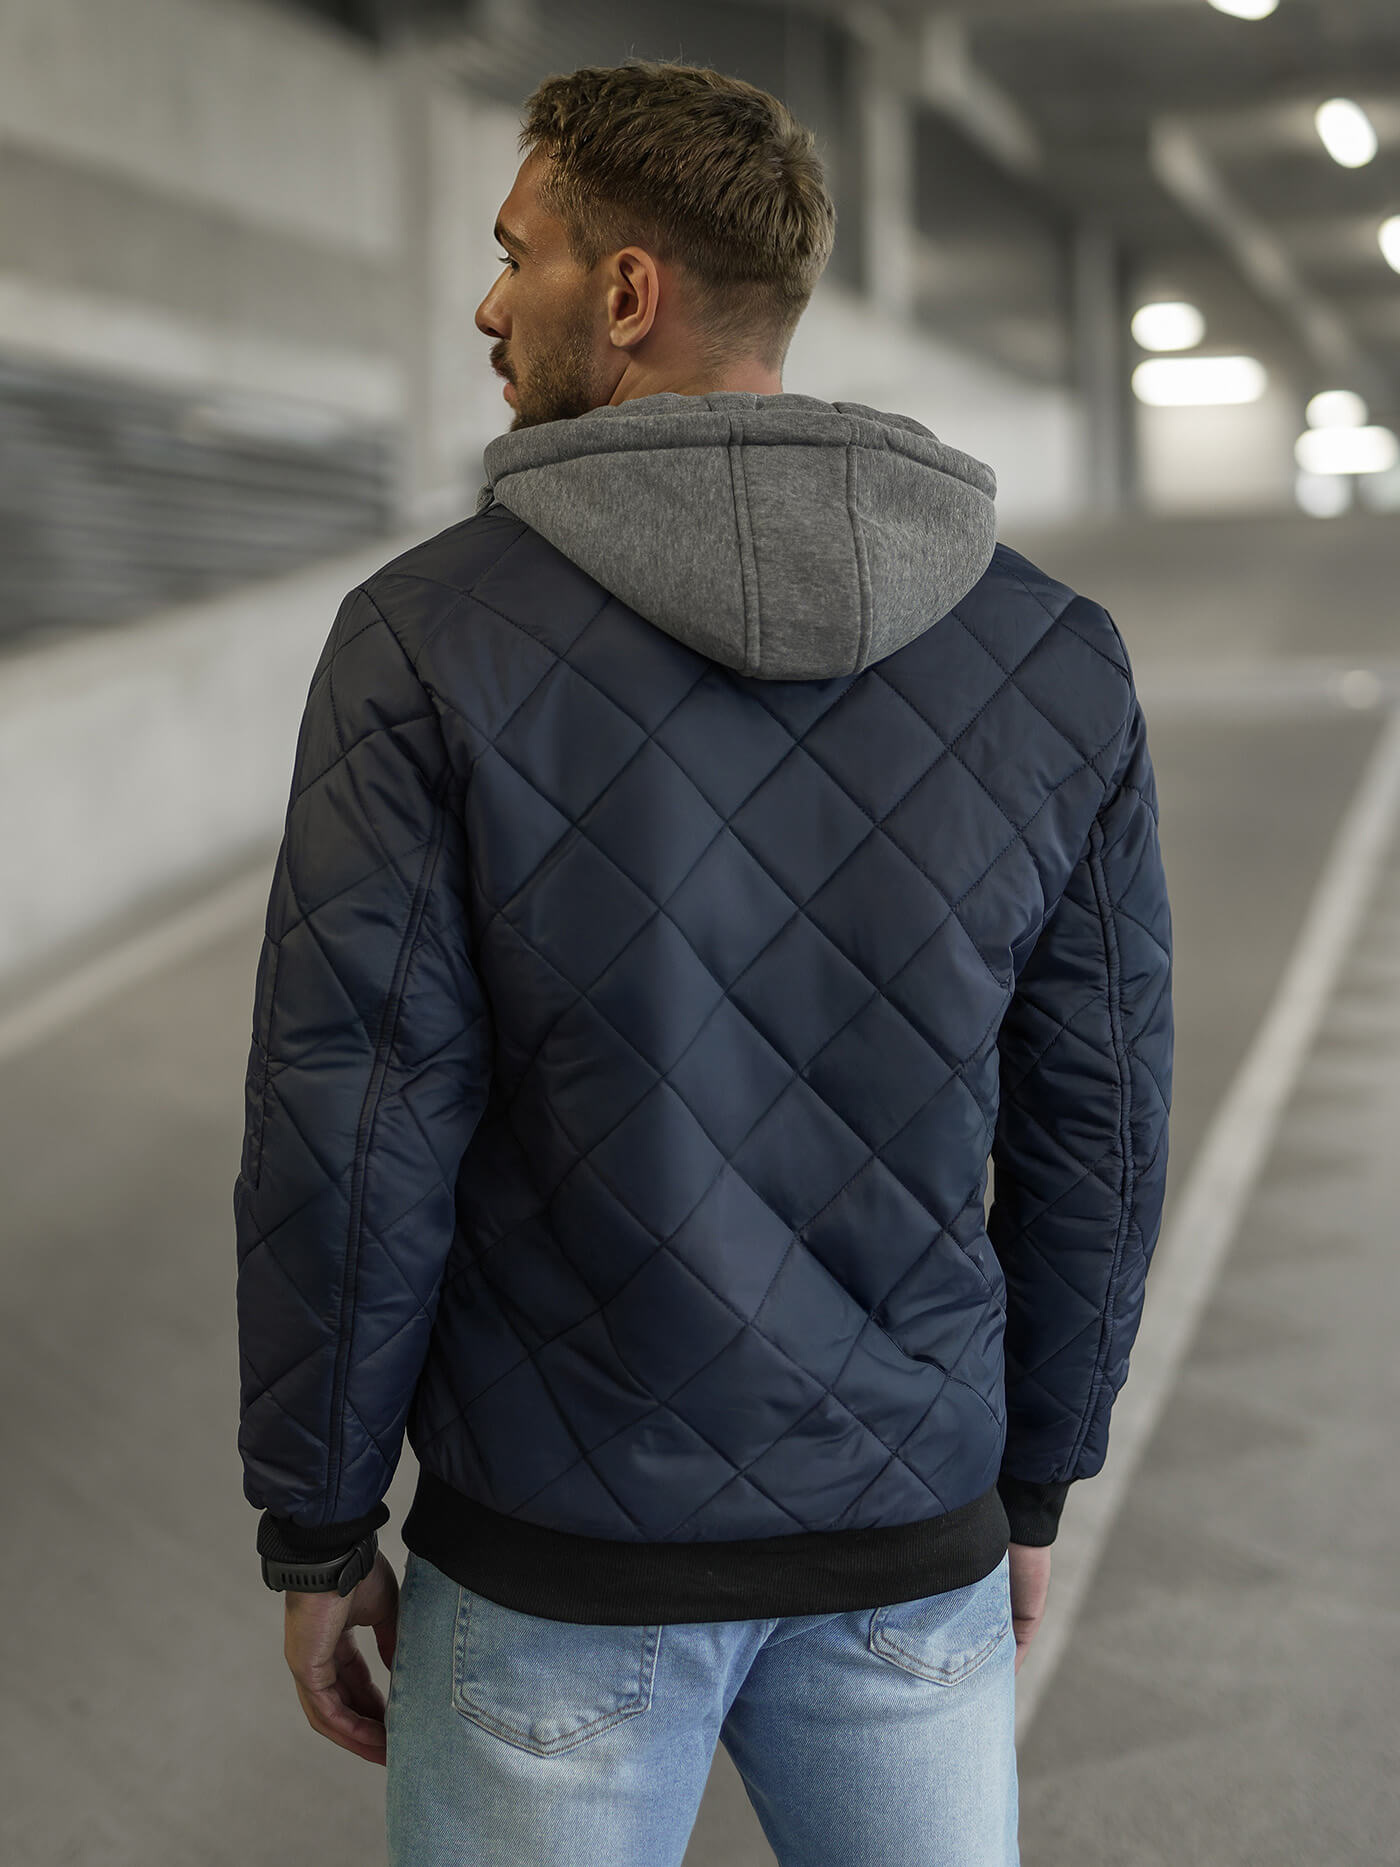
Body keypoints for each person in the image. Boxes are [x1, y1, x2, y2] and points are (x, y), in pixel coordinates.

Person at [234, 56, 1172, 1867]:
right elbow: (1102, 1123)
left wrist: (321, 1527)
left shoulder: (424, 642)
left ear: (628, 292)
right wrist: (1034, 1474)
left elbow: (352, 1128)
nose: (487, 306)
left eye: (517, 254)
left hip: (557, 1563)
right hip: (909, 1534)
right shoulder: (1051, 654)